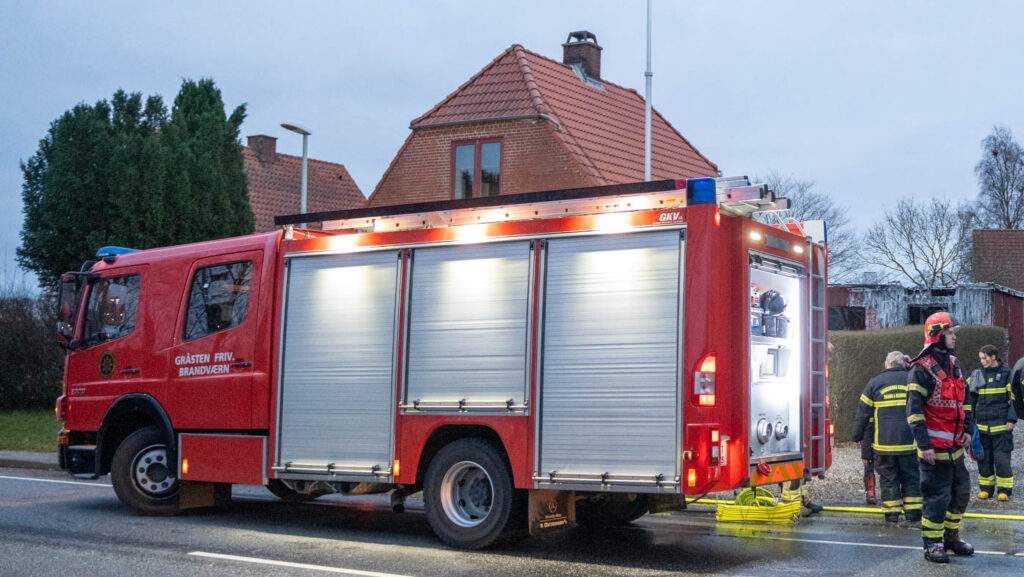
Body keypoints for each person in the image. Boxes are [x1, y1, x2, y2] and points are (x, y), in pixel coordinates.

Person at [906, 311, 974, 563]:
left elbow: (965, 401)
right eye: (950, 333)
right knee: (936, 499)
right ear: (937, 336)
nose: (954, 337)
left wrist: (967, 429)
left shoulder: (954, 364)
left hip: (955, 449)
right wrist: (924, 445)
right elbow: (914, 413)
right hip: (933, 450)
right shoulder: (921, 369)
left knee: (960, 493)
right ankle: (932, 544)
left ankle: (951, 538)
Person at [853, 351, 921, 523]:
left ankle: (892, 515)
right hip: (909, 444)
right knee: (911, 477)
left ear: (889, 363)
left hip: (884, 445)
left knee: (889, 479)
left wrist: (856, 436)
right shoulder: (912, 380)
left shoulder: (874, 383)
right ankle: (913, 515)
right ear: (902, 363)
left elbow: (862, 415)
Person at [968, 345, 1016, 501]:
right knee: (984, 459)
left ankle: (1004, 490)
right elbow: (970, 399)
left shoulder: (1006, 373)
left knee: (1001, 459)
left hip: (1002, 427)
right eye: (981, 358)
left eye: (985, 357)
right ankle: (986, 489)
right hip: (982, 427)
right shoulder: (977, 374)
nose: (982, 361)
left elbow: (1013, 399)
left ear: (994, 356)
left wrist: (1011, 419)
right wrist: (970, 421)